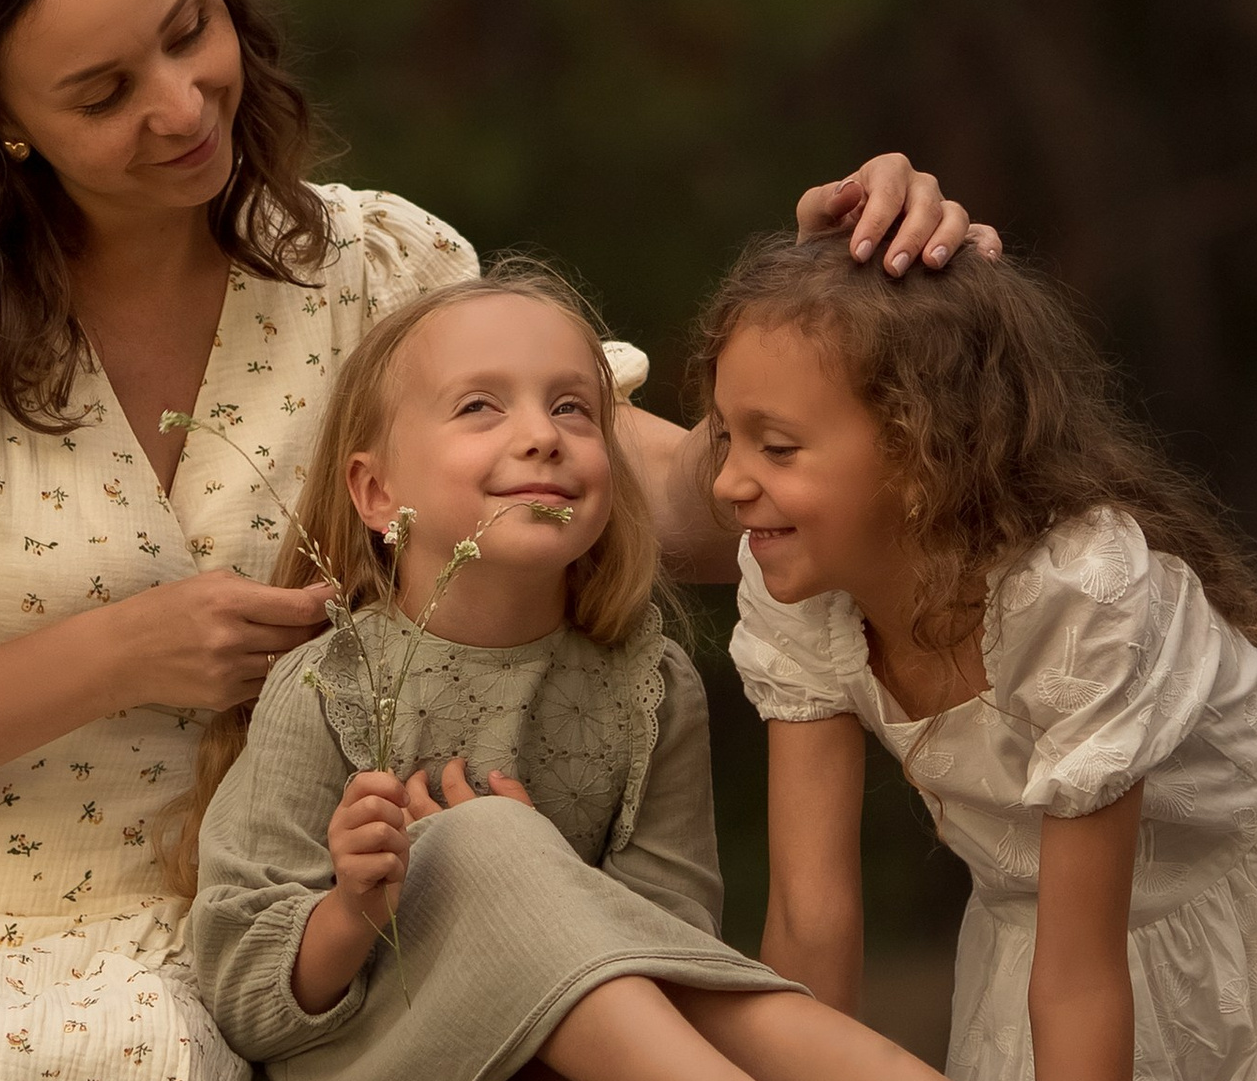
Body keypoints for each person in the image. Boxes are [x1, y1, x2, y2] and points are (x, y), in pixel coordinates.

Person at [0, 0, 997, 1081]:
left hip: (256, 924)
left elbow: (685, 507)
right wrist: (119, 652)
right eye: (100, 93)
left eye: (188, 30)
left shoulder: (375, 271)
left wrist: (868, 315)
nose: (178, 104)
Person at [703, 238, 1257, 1081]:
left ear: (922, 451)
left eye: (775, 447)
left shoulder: (1075, 593)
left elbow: (1081, 978)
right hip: (1044, 935)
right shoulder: (801, 583)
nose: (729, 483)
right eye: (725, 439)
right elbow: (811, 921)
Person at [187, 262, 943, 1081]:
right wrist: (352, 912)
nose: (542, 433)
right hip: (387, 1052)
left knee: (500, 840)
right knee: (481, 834)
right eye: (480, 405)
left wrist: (530, 865)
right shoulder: (325, 684)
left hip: (597, 1056)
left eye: (573, 407)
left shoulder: (648, 685)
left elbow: (674, 952)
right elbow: (241, 993)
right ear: (376, 491)